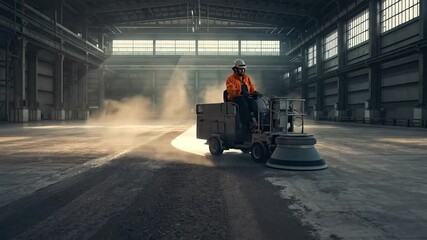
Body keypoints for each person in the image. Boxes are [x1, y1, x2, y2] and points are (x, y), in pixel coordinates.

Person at [225, 59, 261, 140]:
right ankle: (246, 127)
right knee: (243, 104)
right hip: (235, 99)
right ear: (235, 69)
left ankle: (259, 124)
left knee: (254, 103)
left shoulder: (247, 78)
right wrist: (240, 92)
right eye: (240, 69)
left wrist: (254, 93)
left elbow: (251, 87)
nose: (242, 70)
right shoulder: (230, 79)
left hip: (246, 97)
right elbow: (231, 91)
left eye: (243, 69)